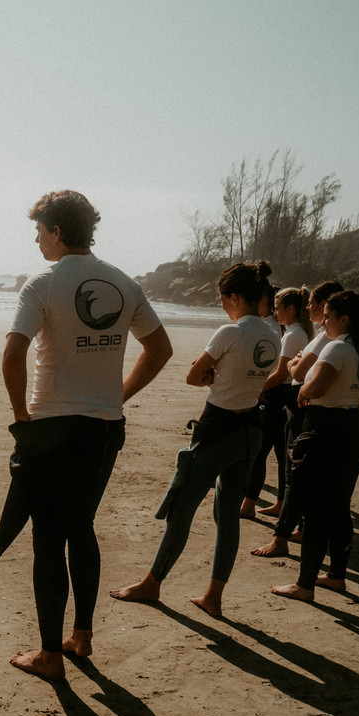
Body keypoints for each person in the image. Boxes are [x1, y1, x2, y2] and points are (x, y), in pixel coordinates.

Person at [2, 190, 173, 681]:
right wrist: (117, 395)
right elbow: (159, 349)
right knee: (81, 526)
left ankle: (50, 656)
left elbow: (13, 355)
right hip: (104, 428)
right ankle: (82, 636)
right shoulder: (123, 282)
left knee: (48, 539)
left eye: (39, 231)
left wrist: (20, 417)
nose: (36, 241)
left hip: (53, 426)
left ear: (56, 231)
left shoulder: (42, 284)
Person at [110, 262, 278, 617]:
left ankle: (152, 584)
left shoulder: (229, 333)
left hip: (216, 430)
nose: (222, 306)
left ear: (234, 297)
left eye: (222, 299)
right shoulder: (272, 335)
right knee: (228, 516)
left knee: (181, 509)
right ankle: (213, 596)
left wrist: (209, 378)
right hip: (251, 430)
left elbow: (192, 376)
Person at [271, 291, 359, 602]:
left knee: (316, 510)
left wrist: (304, 388)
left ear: (344, 319)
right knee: (338, 507)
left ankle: (304, 585)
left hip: (326, 429)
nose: (324, 322)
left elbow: (312, 385)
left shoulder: (337, 348)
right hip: (354, 425)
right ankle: (336, 576)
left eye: (328, 316)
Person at [250, 280, 345, 557]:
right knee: (298, 469)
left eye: (315, 305)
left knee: (297, 472)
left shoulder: (317, 337)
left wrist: (294, 367)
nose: (311, 309)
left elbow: (295, 371)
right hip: (310, 404)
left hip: (305, 404)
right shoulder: (322, 336)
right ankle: (295, 525)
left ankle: (287, 533)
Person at [239, 286, 313, 519]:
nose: (275, 312)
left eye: (278, 308)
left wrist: (257, 389)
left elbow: (282, 373)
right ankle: (281, 502)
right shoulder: (298, 331)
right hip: (288, 395)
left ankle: (248, 504)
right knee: (282, 454)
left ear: (291, 309)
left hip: (281, 395)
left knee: (260, 452)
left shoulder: (293, 334)